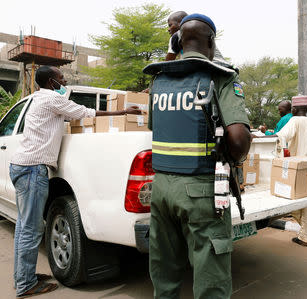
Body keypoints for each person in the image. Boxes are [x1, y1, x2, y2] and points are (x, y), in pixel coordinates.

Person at [9, 66, 141, 298]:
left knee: (24, 227)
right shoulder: (51, 99)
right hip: (32, 170)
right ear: (51, 82)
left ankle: (23, 276)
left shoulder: (39, 99)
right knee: (31, 229)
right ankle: (26, 284)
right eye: (61, 78)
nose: (65, 80)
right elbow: (85, 112)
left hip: (22, 167)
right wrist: (121, 113)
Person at [144, 14, 251, 298]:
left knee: (164, 273)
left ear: (178, 41)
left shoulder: (159, 80)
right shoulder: (220, 77)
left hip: (162, 189)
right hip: (202, 191)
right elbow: (239, 140)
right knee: (210, 277)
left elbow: (156, 128)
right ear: (211, 43)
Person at [257, 96, 307, 246]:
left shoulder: (294, 121)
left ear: (293, 109)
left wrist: (258, 136)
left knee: (293, 200)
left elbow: (280, 136)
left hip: (298, 166)